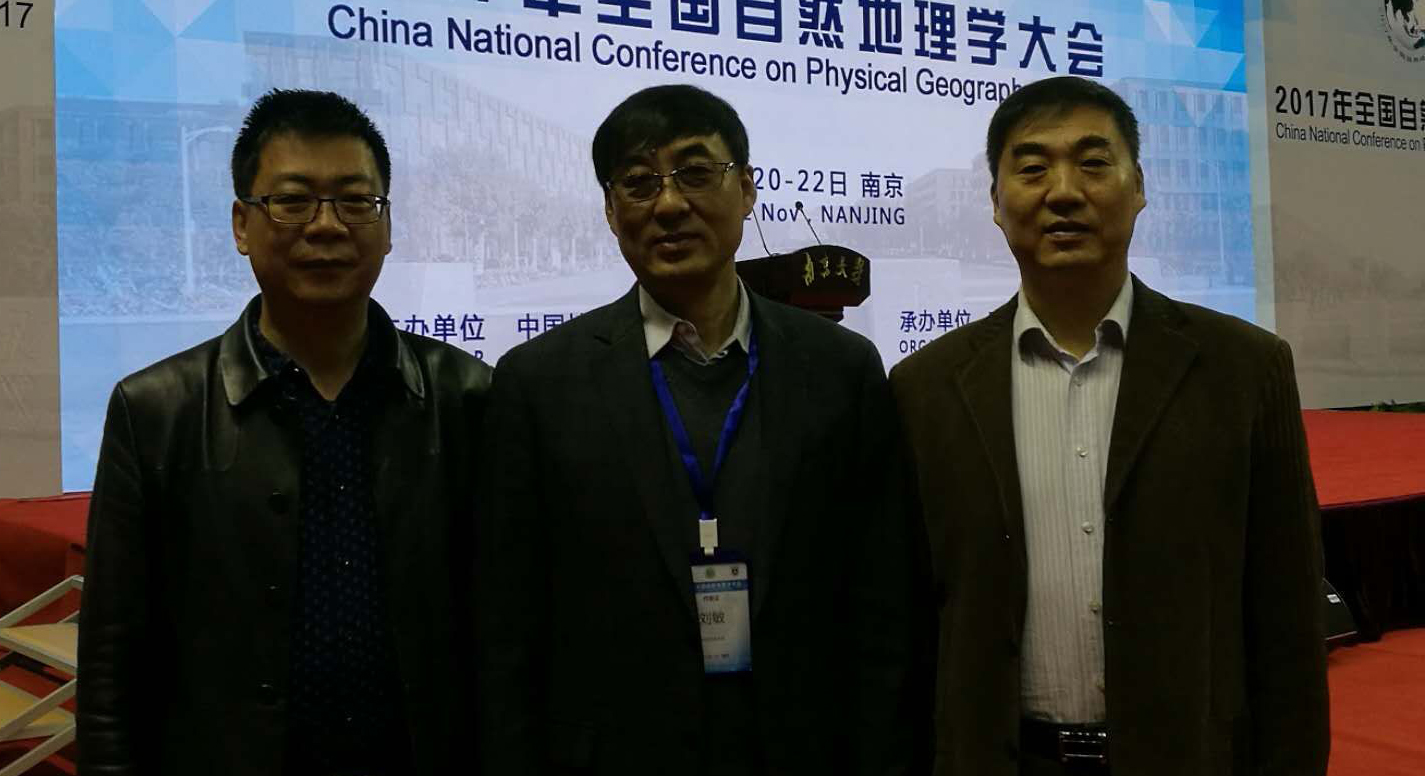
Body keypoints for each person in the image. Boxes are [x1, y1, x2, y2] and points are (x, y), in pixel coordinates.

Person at [477, 83, 924, 776]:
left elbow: (884, 605)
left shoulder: (841, 369)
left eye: (694, 172)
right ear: (610, 210)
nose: (668, 204)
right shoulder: (538, 382)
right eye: (638, 182)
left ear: (746, 189)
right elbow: (508, 627)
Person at [890, 76, 1328, 776]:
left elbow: (1288, 620)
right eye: (1032, 168)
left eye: (1093, 163)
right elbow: (908, 626)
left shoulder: (1244, 369)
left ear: (1139, 187)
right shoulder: (925, 389)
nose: (1063, 191)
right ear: (996, 201)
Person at [77, 89, 491, 776]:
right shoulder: (155, 412)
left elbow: (507, 634)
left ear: (387, 225)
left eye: (355, 201)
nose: (326, 226)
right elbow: (111, 668)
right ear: (242, 224)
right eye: (293, 201)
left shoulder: (468, 398)